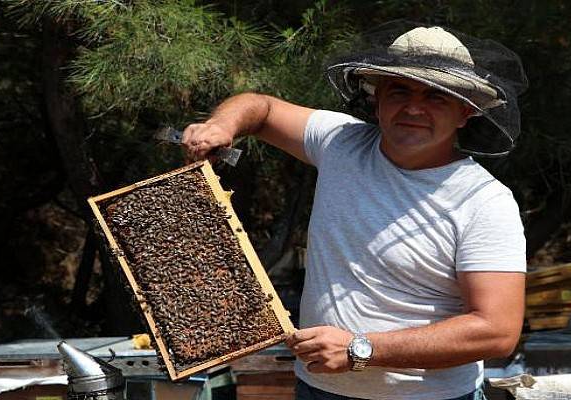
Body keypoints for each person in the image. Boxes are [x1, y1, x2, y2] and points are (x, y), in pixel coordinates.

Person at [183, 25, 527, 400]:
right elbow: (261, 108)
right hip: (318, 388)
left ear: (465, 111)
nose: (414, 107)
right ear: (376, 98)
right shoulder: (341, 142)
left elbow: (497, 329)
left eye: (437, 96)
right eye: (399, 90)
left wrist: (361, 349)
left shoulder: (483, 202)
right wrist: (221, 125)